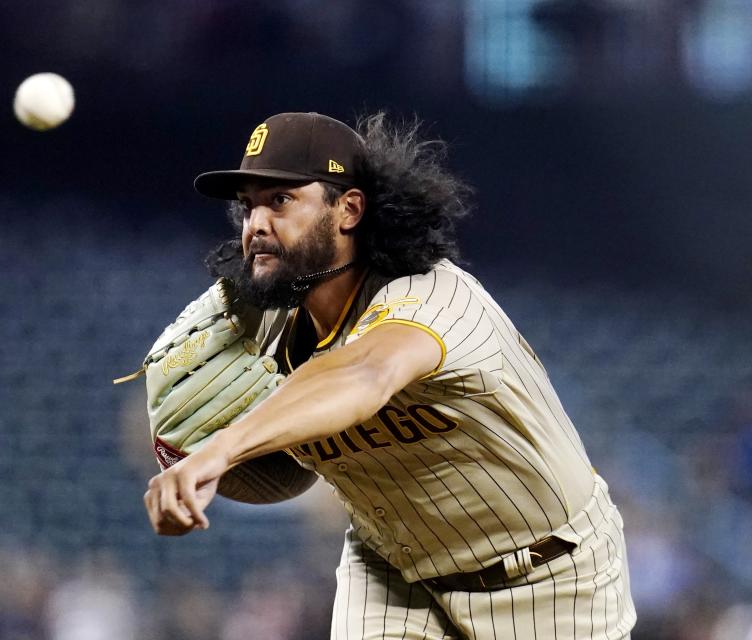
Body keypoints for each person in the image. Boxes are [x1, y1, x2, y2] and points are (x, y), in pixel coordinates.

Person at [143, 112, 636, 639]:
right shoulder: (260, 315)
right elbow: (163, 404)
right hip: (392, 572)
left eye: (280, 201)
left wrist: (222, 447)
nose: (256, 223)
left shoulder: (434, 296)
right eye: (249, 206)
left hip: (548, 576)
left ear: (349, 209)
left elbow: (363, 371)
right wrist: (176, 448)